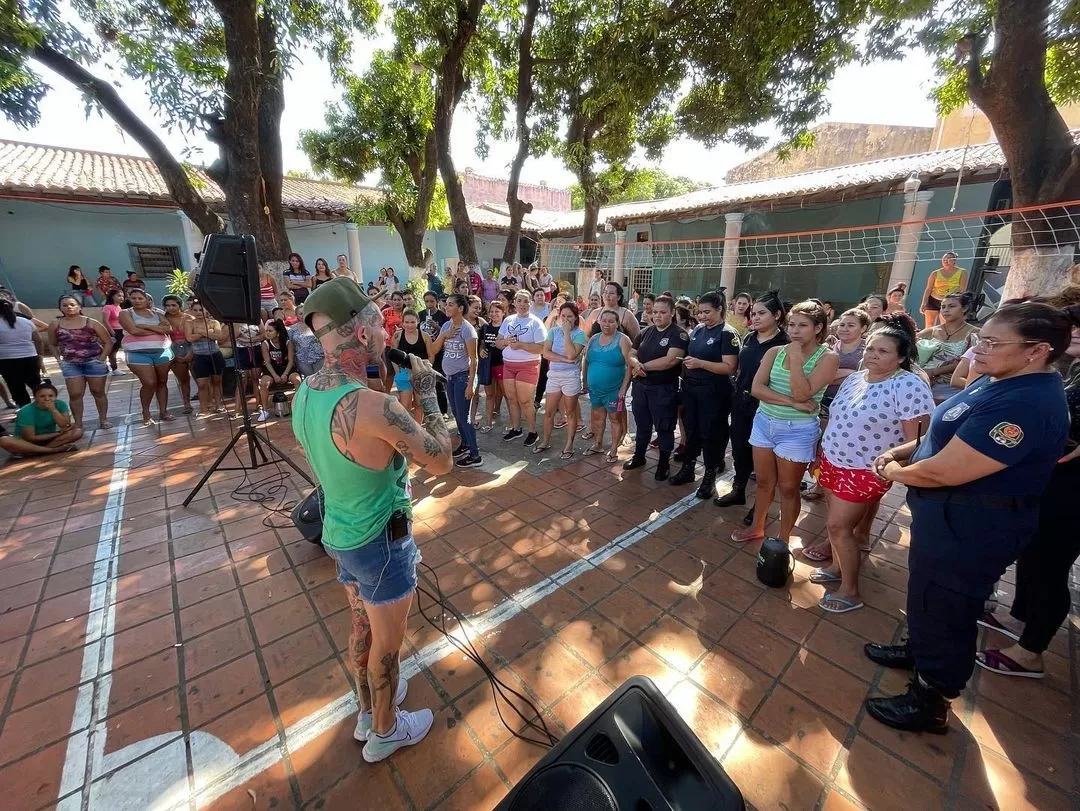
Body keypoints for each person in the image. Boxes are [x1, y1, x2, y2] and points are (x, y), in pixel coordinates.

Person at [864, 302, 1071, 733]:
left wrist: (895, 471)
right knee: (928, 597)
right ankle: (919, 652)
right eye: (981, 340)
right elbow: (946, 427)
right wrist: (902, 451)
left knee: (949, 609)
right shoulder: (999, 379)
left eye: (993, 343)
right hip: (946, 517)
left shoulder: (1026, 404)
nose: (979, 349)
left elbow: (949, 468)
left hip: (973, 526)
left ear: (1037, 351)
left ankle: (931, 697)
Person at [291, 277, 452, 762]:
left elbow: (362, 446)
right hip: (382, 544)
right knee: (387, 644)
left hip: (341, 536)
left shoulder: (304, 393)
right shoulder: (374, 406)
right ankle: (385, 730)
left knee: (361, 625)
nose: (387, 335)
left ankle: (366, 710)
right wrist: (428, 392)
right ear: (360, 335)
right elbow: (443, 458)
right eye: (380, 327)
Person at [975, 295, 1080, 680]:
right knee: (1032, 557)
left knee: (1050, 566)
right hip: (1044, 478)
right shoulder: (1063, 371)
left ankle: (1031, 651)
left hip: (1071, 489)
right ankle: (1020, 617)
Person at [811, 319, 934, 613]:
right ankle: (837, 566)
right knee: (837, 523)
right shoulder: (856, 378)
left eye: (883, 351)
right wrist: (820, 449)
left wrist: (892, 466)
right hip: (833, 458)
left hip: (865, 469)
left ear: (901, 357)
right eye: (870, 349)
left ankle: (850, 592)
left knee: (838, 526)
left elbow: (918, 439)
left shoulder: (908, 385)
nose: (872, 355)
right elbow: (837, 417)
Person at [731, 300, 838, 543]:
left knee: (789, 489)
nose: (795, 331)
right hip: (764, 423)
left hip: (797, 431)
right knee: (764, 482)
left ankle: (783, 539)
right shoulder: (774, 352)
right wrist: (791, 403)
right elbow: (757, 389)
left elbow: (803, 394)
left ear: (818, 328)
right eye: (791, 325)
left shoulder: (828, 358)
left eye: (803, 325)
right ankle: (757, 528)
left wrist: (798, 359)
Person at [715, 292, 790, 509]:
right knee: (739, 449)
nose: (755, 317)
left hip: (766, 407)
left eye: (761, 313)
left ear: (777, 315)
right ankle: (738, 490)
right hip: (741, 403)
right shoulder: (749, 337)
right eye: (753, 313)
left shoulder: (784, 344)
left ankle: (761, 506)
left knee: (764, 461)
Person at [670, 291, 740, 498]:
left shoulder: (727, 333)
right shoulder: (699, 330)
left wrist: (700, 364)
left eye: (707, 312)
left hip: (714, 392)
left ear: (720, 310)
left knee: (712, 434)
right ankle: (689, 468)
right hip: (692, 389)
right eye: (700, 312)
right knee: (691, 429)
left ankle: (709, 476)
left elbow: (730, 368)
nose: (702, 316)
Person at [623, 296, 688, 481]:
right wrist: (635, 364)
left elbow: (671, 360)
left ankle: (663, 464)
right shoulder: (646, 332)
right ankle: (639, 456)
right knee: (642, 424)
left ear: (672, 312)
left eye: (663, 312)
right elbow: (632, 353)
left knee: (664, 427)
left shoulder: (678, 334)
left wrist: (643, 367)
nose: (657, 316)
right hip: (641, 388)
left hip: (663, 389)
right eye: (654, 312)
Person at [48, 295, 113, 429]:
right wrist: (58, 360)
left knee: (98, 392)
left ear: (79, 306)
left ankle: (103, 419)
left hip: (94, 362)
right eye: (64, 305)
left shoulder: (91, 322)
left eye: (72, 304)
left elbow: (107, 342)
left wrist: (102, 359)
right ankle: (78, 423)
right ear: (60, 308)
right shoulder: (56, 324)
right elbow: (52, 343)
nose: (69, 307)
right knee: (75, 394)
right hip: (71, 364)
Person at [432, 294, 482, 467]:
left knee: (464, 416)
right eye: (446, 304)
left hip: (463, 377)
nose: (446, 307)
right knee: (457, 415)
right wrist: (444, 334)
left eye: (450, 305)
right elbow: (434, 349)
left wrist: (471, 385)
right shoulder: (446, 325)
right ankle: (466, 445)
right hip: (450, 379)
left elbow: (474, 360)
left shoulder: (468, 330)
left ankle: (475, 455)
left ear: (460, 308)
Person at [534, 302, 586, 458]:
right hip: (554, 376)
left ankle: (569, 445)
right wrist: (564, 360)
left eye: (569, 316)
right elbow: (546, 354)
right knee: (549, 411)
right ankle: (545, 441)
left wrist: (567, 333)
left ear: (576, 317)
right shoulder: (553, 331)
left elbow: (572, 355)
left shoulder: (579, 334)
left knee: (570, 412)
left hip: (571, 377)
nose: (566, 319)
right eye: (563, 316)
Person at [496, 290, 547, 446]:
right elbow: (498, 343)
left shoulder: (535, 322)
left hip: (528, 366)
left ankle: (533, 431)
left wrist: (521, 345)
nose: (523, 304)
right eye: (519, 301)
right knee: (511, 399)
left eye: (526, 301)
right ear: (514, 303)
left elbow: (542, 348)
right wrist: (505, 342)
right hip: (508, 365)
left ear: (530, 303)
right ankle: (516, 429)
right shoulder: (508, 320)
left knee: (525, 401)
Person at [581, 309, 633, 461]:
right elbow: (587, 361)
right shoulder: (594, 338)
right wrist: (584, 380)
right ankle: (597, 444)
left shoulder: (623, 340)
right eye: (604, 320)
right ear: (599, 322)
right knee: (598, 418)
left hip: (614, 391)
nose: (607, 324)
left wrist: (624, 388)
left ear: (617, 324)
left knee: (615, 419)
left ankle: (614, 449)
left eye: (611, 321)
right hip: (595, 390)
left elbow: (630, 365)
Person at [120, 290, 175, 426]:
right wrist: (157, 329)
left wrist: (144, 326)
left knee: (162, 381)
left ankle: (163, 411)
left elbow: (168, 329)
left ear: (147, 299)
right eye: (134, 298)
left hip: (162, 351)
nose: (137, 300)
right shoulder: (125, 313)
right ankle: (146, 412)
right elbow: (133, 331)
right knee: (149, 383)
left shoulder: (158, 313)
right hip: (138, 353)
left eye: (140, 298)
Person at [0, 382, 83, 457]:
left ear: (55, 397)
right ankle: (53, 450)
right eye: (42, 396)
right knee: (4, 440)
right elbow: (30, 437)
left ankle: (34, 452)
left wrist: (53, 410)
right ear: (35, 397)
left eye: (51, 396)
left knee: (77, 432)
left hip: (50, 440)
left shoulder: (60, 404)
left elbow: (65, 426)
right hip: (27, 442)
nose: (47, 399)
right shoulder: (25, 411)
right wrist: (58, 433)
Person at [0, 295, 44, 407]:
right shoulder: (26, 321)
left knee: (17, 389)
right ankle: (45, 408)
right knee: (36, 385)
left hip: (7, 361)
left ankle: (25, 414)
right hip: (30, 358)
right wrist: (40, 357)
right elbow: (38, 341)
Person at [185, 299, 226, 416]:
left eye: (200, 310)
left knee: (217, 382)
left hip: (214, 355)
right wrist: (208, 333)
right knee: (202, 384)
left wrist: (200, 333)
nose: (198, 312)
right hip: (199, 357)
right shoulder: (189, 323)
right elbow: (189, 338)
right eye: (195, 310)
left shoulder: (214, 322)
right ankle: (204, 409)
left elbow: (218, 336)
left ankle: (218, 405)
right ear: (191, 311)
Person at [391, 309, 433, 423]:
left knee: (419, 404)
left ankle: (418, 429)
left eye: (412, 322)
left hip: (420, 373)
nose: (409, 325)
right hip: (404, 373)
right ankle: (407, 431)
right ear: (403, 323)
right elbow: (393, 355)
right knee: (405, 406)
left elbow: (431, 355)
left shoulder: (425, 336)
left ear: (418, 322)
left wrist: (427, 369)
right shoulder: (397, 336)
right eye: (407, 322)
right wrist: (398, 372)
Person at [162, 295, 194, 415]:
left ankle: (208, 403)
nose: (171, 308)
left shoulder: (189, 318)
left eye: (173, 305)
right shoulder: (163, 318)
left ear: (179, 305)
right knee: (183, 378)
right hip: (173, 349)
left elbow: (195, 337)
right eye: (168, 305)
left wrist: (191, 352)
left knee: (200, 378)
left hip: (191, 347)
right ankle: (187, 403)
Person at [920, 251, 968, 330]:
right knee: (930, 324)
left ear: (954, 261)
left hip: (950, 301)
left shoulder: (962, 272)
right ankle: (927, 340)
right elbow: (928, 289)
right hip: (934, 299)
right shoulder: (935, 273)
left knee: (945, 323)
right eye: (944, 259)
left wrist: (955, 300)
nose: (946, 261)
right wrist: (923, 303)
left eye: (949, 259)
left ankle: (943, 340)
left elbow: (962, 289)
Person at [478, 300, 506, 432]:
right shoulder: (485, 327)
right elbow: (482, 343)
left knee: (507, 395)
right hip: (488, 365)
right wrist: (481, 350)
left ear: (503, 313)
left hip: (502, 365)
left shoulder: (507, 327)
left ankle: (513, 425)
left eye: (497, 311)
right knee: (490, 395)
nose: (494, 314)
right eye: (492, 311)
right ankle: (488, 423)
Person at [258, 319, 294, 420]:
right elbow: (267, 362)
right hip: (271, 369)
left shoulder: (287, 343)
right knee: (263, 384)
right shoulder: (265, 344)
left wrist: (285, 374)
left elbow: (291, 361)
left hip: (285, 367)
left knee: (297, 380)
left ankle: (297, 407)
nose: (267, 333)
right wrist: (275, 376)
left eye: (270, 331)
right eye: (267, 331)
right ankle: (265, 411)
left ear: (277, 333)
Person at [289, 310, 325, 380]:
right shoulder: (293, 329)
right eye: (300, 313)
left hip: (319, 357)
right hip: (302, 358)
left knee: (319, 378)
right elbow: (291, 345)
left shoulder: (317, 325)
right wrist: (292, 359)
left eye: (305, 313)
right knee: (309, 378)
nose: (303, 315)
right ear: (296, 315)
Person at [101, 290, 125, 372]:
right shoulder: (107, 307)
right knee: (111, 351)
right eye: (119, 295)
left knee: (116, 350)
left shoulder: (119, 307)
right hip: (113, 331)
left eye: (122, 296)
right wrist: (112, 333)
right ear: (112, 297)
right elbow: (105, 321)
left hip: (120, 331)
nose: (121, 298)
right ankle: (113, 368)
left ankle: (114, 367)